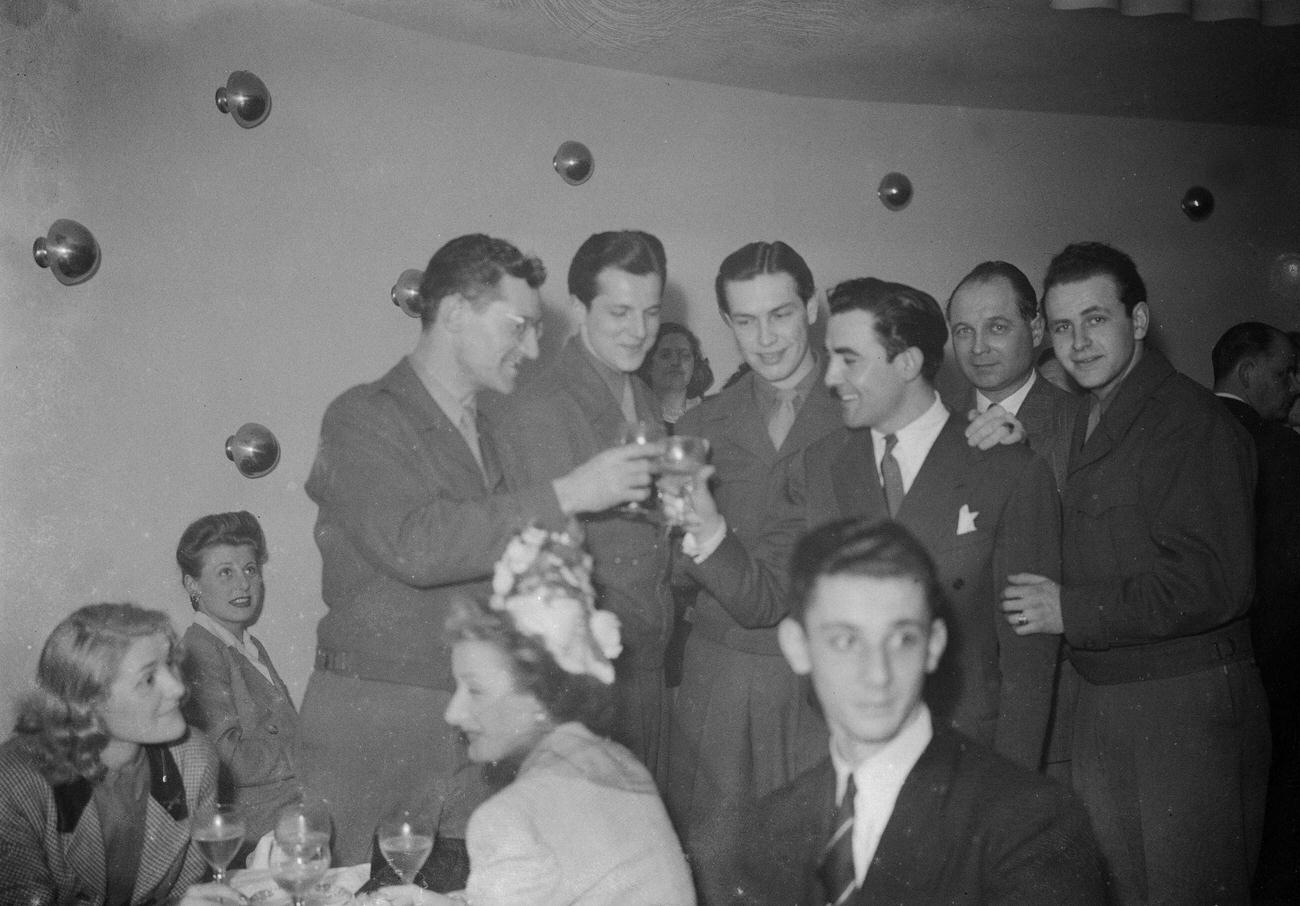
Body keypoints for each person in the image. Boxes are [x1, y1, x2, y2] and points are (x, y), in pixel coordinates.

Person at [301, 233, 660, 863]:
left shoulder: (498, 428)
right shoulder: (363, 417)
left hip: (477, 728)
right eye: (518, 327)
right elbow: (415, 543)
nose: (533, 348)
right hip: (381, 726)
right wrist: (569, 494)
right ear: (454, 313)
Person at [683, 276, 1061, 774]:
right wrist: (705, 524)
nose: (831, 376)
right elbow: (772, 596)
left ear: (907, 363)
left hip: (961, 761)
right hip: (845, 758)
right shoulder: (821, 464)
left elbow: (1028, 665)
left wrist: (1010, 793)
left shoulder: (1006, 468)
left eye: (849, 359)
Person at [1004, 242, 1267, 905]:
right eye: (1062, 326)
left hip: (1181, 701)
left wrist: (1069, 610)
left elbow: (1213, 583)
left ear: (1140, 320)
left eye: (1096, 319)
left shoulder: (1188, 421)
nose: (1078, 342)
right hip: (1108, 697)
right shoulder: (1087, 416)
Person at [735, 519, 1107, 905]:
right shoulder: (768, 830)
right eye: (845, 641)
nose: (878, 674)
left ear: (934, 645)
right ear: (797, 646)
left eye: (902, 639)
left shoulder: (1029, 825)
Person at [373, 526, 696, 905]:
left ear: (538, 696)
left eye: (475, 690)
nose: (453, 713)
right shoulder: (619, 764)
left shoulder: (509, 818)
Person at [665, 240, 841, 901]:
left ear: (813, 307)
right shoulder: (702, 423)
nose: (765, 339)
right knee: (717, 876)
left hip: (822, 684)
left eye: (781, 314)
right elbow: (672, 571)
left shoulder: (861, 407)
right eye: (745, 321)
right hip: (720, 683)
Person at [487, 230, 675, 781]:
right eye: (619, 312)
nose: (639, 331)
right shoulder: (541, 405)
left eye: (651, 312)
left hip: (645, 664)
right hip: (585, 680)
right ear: (577, 308)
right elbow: (540, 564)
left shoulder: (642, 396)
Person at [946, 260, 1080, 783]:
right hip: (955, 710)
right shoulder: (935, 429)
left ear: (1037, 328)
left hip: (1054, 714)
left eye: (997, 327)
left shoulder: (1082, 422)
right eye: (963, 331)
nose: (978, 347)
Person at [0, 602, 219, 905]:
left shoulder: (194, 757)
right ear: (87, 703)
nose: (177, 688)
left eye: (170, 663)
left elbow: (185, 892)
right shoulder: (15, 781)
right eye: (148, 679)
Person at [1211, 322, 1300, 901]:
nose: (1294, 386)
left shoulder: (1180, 429)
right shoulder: (1282, 449)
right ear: (1247, 373)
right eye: (1284, 372)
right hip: (1278, 666)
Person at [176, 510, 301, 849]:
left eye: (249, 569)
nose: (243, 584)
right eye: (225, 572)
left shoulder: (247, 644)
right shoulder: (199, 651)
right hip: (254, 826)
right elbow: (226, 759)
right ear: (192, 584)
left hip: (288, 807)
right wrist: (305, 752)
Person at [637, 321, 714, 430]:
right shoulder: (635, 416)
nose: (676, 362)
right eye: (665, 355)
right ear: (649, 365)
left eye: (684, 355)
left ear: (694, 365)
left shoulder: (712, 415)